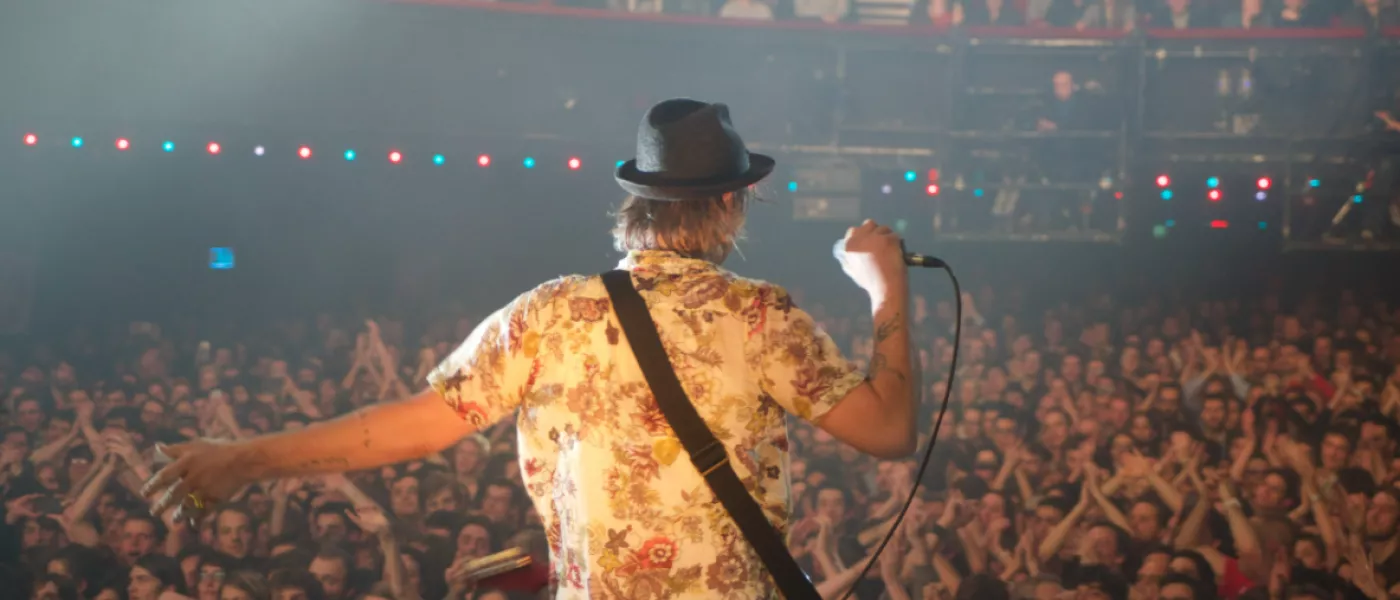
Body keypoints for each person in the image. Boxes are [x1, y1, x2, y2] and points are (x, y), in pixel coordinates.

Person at [142, 99, 918, 598]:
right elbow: (889, 431)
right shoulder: (758, 317)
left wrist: (244, 458)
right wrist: (885, 289)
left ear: (638, 202)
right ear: (730, 202)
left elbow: (411, 427)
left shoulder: (549, 315)